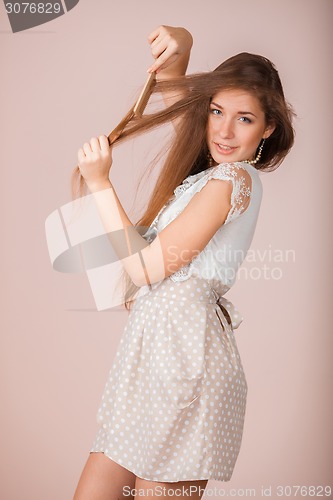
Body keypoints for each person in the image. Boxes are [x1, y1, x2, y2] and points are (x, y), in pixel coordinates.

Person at [72, 25, 295, 500]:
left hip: (188, 365)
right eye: (216, 111)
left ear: (268, 127)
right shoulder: (206, 175)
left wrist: (99, 184)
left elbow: (146, 269)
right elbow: (181, 108)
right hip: (152, 361)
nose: (224, 130)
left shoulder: (232, 181)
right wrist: (184, 45)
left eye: (244, 119)